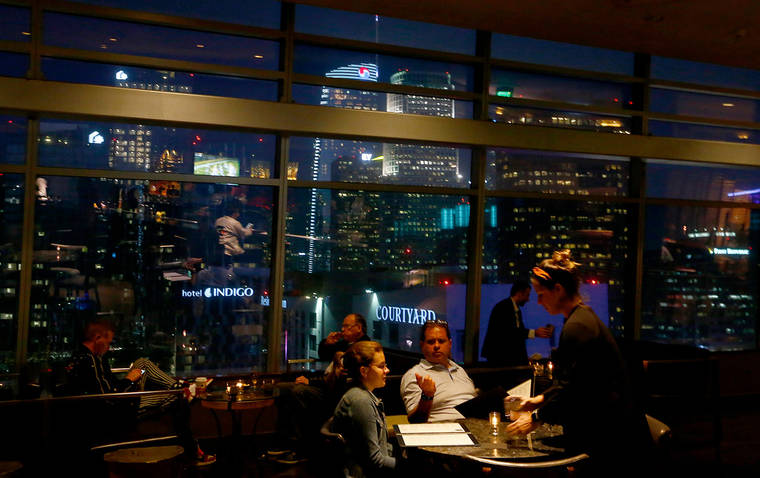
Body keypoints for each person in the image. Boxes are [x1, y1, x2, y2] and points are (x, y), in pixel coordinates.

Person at [506, 250, 650, 472]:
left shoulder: (577, 326)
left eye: (541, 294)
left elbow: (576, 391)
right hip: (614, 428)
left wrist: (536, 418)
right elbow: (573, 381)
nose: (538, 301)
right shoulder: (581, 316)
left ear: (558, 290)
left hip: (611, 438)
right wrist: (539, 400)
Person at [66, 319, 215, 465]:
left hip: (121, 399)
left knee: (142, 364)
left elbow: (110, 385)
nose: (109, 347)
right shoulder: (90, 361)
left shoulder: (90, 356)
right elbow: (107, 398)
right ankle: (192, 449)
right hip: (118, 410)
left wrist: (132, 380)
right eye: (108, 342)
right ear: (97, 338)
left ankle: (180, 387)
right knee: (177, 397)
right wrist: (129, 381)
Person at [268, 351, 349, 465]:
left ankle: (302, 448)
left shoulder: (355, 358)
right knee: (281, 388)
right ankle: (284, 440)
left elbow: (337, 386)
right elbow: (325, 373)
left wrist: (341, 371)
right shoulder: (340, 350)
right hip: (326, 386)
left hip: (333, 396)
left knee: (298, 391)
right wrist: (310, 381)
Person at [332, 341, 396, 477]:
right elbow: (375, 460)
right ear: (364, 371)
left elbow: (383, 448)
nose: (387, 370)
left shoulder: (364, 396)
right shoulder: (361, 401)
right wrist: (408, 467)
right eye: (381, 366)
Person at [400, 320, 476, 423]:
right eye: (431, 342)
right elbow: (416, 421)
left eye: (441, 341)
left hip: (475, 424)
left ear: (450, 344)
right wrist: (427, 395)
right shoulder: (414, 374)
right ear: (422, 345)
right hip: (443, 428)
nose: (436, 346)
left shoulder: (459, 370)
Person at [481, 279, 553, 366]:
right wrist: (534, 333)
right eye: (527, 295)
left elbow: (514, 335)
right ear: (519, 293)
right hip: (501, 359)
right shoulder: (504, 308)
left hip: (503, 358)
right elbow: (510, 333)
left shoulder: (510, 308)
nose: (528, 299)